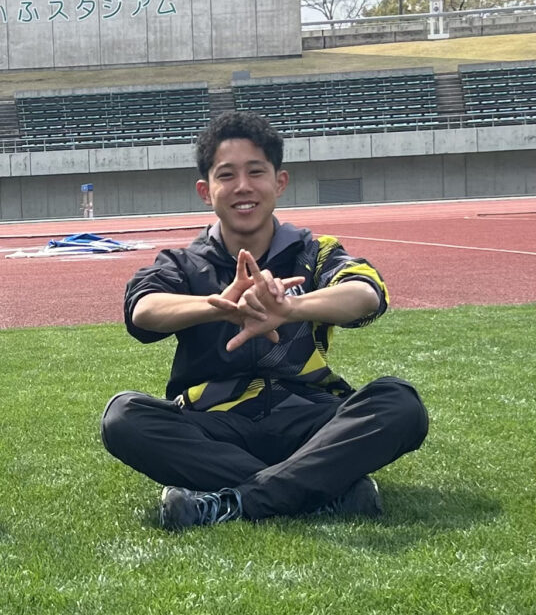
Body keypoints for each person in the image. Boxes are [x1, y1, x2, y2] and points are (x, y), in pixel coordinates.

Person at [101, 111, 428, 530]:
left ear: (280, 181)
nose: (243, 186)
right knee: (123, 416)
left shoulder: (315, 252)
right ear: (205, 190)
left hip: (310, 420)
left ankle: (230, 501)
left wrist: (291, 309)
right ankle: (322, 487)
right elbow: (142, 309)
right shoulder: (183, 263)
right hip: (214, 425)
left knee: (400, 403)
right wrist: (217, 306)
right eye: (227, 175)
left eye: (256, 172)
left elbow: (366, 293)